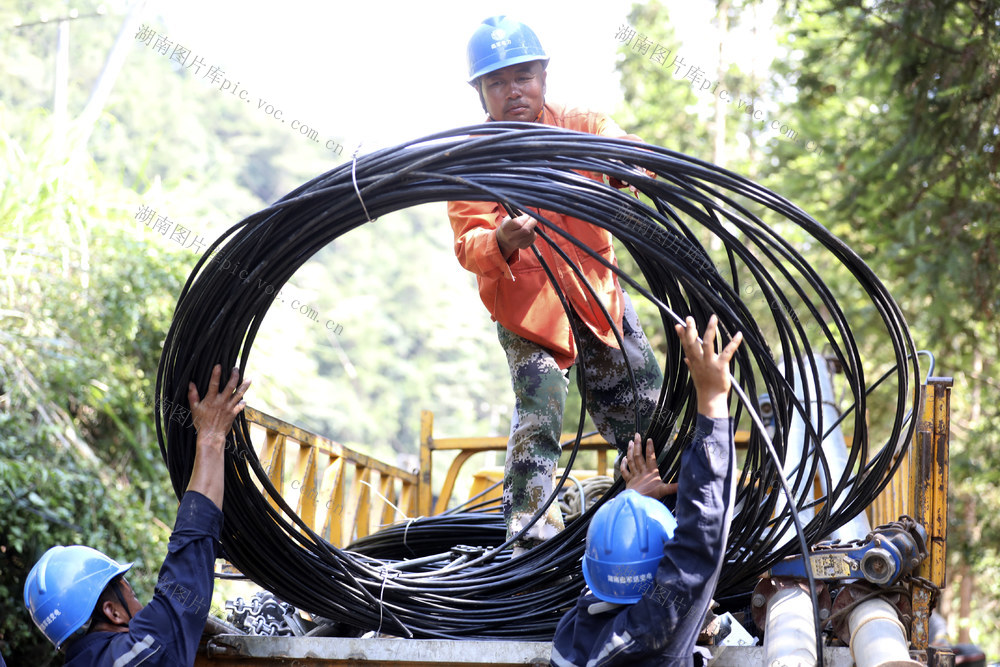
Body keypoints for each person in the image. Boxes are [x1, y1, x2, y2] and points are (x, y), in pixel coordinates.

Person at [448, 15, 664, 552]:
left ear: (544, 75)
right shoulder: (467, 160)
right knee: (539, 412)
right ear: (481, 94)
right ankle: (530, 541)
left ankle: (655, 513)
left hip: (597, 294)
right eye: (497, 82)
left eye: (523, 76)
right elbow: (468, 245)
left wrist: (626, 163)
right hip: (528, 311)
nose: (512, 91)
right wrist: (501, 240)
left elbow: (632, 153)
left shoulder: (580, 125)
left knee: (643, 406)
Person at [23, 364, 251, 666]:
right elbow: (186, 575)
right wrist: (210, 436)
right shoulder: (140, 653)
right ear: (112, 611)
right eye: (127, 589)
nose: (140, 602)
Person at [550, 315, 743, 666]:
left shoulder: (571, 635)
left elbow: (686, 557)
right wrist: (712, 401)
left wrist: (632, 506)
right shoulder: (654, 632)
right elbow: (700, 541)